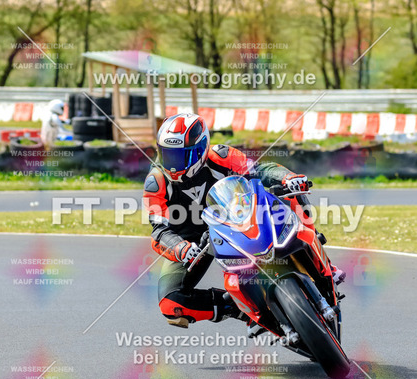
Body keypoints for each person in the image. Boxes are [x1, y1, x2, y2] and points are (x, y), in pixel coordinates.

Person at [142, 113, 345, 332]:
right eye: (167, 155)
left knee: (290, 192)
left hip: (235, 220)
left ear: (200, 149)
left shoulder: (222, 155)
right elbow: (159, 231)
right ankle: (245, 312)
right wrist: (180, 248)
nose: (172, 165)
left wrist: (287, 177)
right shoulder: (156, 181)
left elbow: (260, 170)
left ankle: (322, 260)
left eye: (180, 156)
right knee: (171, 303)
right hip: (192, 244)